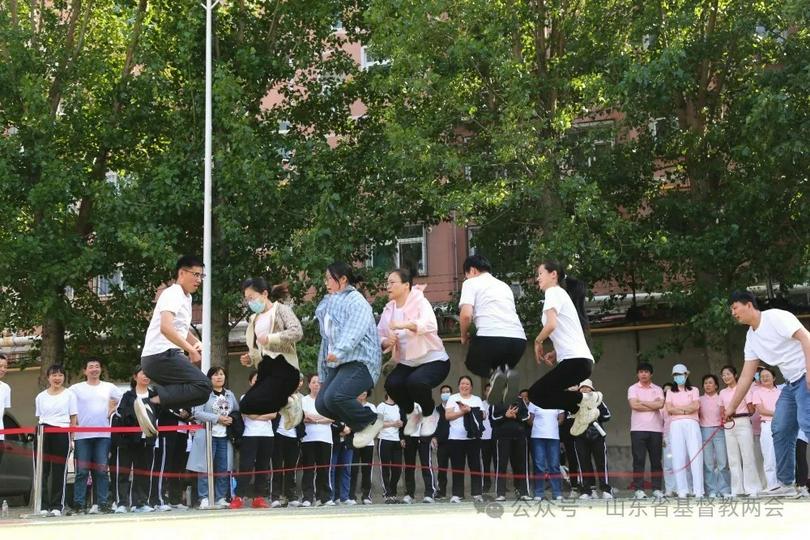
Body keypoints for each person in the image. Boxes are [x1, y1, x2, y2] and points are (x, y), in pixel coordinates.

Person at [727, 290, 810, 497]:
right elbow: (746, 377)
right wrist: (731, 407)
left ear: (748, 305)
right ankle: (786, 484)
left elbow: (806, 338)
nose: (733, 313)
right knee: (780, 428)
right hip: (790, 384)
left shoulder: (776, 317)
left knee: (808, 424)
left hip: (805, 376)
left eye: (735, 308)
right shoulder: (751, 338)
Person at [136, 255, 213, 436]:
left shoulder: (186, 298)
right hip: (161, 355)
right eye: (195, 275)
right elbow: (166, 328)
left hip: (163, 356)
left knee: (201, 393)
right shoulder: (173, 293)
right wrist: (190, 349)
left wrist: (196, 342)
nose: (198, 280)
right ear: (181, 273)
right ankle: (151, 401)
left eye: (201, 276)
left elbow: (180, 329)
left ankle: (154, 406)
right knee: (203, 385)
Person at [528, 261, 602, 437]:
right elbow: (565, 329)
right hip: (578, 361)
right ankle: (580, 410)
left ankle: (586, 400)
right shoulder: (561, 295)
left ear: (553, 275)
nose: (537, 278)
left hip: (576, 361)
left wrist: (538, 341)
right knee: (542, 394)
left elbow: (552, 324)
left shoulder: (553, 292)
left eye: (540, 273)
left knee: (536, 394)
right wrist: (556, 352)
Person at [315, 262, 384, 449]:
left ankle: (371, 421)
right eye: (326, 279)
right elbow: (326, 340)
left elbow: (354, 331)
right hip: (340, 363)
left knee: (335, 396)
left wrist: (338, 351)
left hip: (362, 361)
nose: (326, 282)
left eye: (329, 278)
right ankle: (359, 426)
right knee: (321, 404)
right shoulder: (329, 304)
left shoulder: (356, 301)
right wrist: (322, 374)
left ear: (343, 279)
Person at [378, 268, 450, 438]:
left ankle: (430, 413)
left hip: (434, 360)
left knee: (415, 382)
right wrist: (386, 342)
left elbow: (430, 324)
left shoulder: (420, 302)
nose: (387, 286)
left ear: (406, 285)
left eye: (392, 282)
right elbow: (379, 334)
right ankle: (412, 413)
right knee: (392, 384)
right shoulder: (389, 309)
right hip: (408, 362)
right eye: (387, 283)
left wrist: (404, 325)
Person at [459, 255, 527, 405]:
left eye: (466, 275)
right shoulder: (504, 286)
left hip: (491, 338)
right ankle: (506, 374)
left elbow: (465, 316)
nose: (466, 278)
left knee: (472, 363)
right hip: (518, 341)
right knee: (501, 367)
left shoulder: (471, 283)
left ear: (472, 270)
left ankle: (495, 375)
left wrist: (463, 336)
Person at [238, 278, 304, 430]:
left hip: (283, 365)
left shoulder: (281, 310)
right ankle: (288, 403)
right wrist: (249, 358)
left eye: (252, 298)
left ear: (265, 294)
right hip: (265, 368)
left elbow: (297, 331)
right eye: (247, 299)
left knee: (256, 403)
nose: (249, 302)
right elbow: (258, 349)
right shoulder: (253, 319)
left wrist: (271, 338)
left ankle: (288, 403)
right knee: (246, 405)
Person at [70, 358, 122, 514]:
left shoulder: (109, 387)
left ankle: (103, 503)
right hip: (82, 435)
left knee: (101, 471)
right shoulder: (75, 388)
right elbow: (66, 403)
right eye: (90, 367)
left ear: (101, 370)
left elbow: (123, 400)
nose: (94, 369)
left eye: (97, 366)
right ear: (85, 371)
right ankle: (79, 504)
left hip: (103, 434)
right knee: (82, 472)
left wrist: (113, 410)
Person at [188, 366, 238, 509]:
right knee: (205, 467)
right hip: (207, 435)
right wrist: (218, 418)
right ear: (210, 378)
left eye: (221, 374)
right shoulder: (204, 394)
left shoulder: (229, 395)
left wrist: (231, 419)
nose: (219, 377)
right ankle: (204, 497)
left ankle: (220, 497)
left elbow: (236, 411)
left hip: (224, 436)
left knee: (223, 467)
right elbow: (197, 413)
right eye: (215, 375)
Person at [111, 366, 158, 514]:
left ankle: (141, 502)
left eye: (148, 374)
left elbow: (159, 414)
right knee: (124, 471)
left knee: (143, 472)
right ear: (135, 376)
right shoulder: (128, 396)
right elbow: (122, 414)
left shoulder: (154, 395)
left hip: (147, 440)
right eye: (142, 373)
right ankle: (122, 503)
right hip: (127, 440)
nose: (146, 376)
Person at [35, 364, 78, 517]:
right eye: (54, 375)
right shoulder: (40, 396)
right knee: (42, 470)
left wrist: (72, 437)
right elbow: (39, 417)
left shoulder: (69, 394)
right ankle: (42, 505)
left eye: (60, 375)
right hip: (43, 432)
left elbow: (73, 417)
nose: (57, 378)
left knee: (59, 470)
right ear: (48, 378)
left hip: (62, 432)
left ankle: (57, 506)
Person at [231, 369, 275, 509]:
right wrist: (262, 414)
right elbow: (248, 415)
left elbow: (273, 414)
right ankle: (239, 497)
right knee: (246, 466)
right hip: (250, 435)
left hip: (267, 435)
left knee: (263, 466)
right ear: (251, 382)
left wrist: (258, 415)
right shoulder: (245, 397)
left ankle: (259, 497)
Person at [719, 364, 762, 498]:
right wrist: (726, 416)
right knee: (733, 458)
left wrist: (736, 411)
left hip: (743, 422)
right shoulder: (722, 392)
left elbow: (751, 409)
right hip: (729, 424)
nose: (726, 377)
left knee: (747, 455)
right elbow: (721, 410)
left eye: (728, 374)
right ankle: (736, 489)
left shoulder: (744, 389)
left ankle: (752, 488)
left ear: (735, 375)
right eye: (724, 375)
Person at [627, 362, 665, 499]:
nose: (643, 374)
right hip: (638, 429)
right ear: (637, 374)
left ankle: (656, 489)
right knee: (638, 460)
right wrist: (652, 405)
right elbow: (634, 405)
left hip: (656, 429)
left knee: (656, 461)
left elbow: (660, 404)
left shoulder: (658, 389)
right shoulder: (632, 388)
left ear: (651, 374)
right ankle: (638, 489)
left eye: (646, 372)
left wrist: (642, 402)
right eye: (641, 372)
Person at [665, 364, 703, 499]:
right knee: (678, 456)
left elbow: (695, 406)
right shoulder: (670, 392)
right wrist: (686, 410)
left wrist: (680, 410)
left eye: (681, 374)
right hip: (675, 425)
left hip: (692, 424)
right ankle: (682, 490)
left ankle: (698, 490)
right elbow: (669, 408)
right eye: (676, 375)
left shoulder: (694, 390)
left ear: (686, 375)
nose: (678, 377)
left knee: (695, 456)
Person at [445, 376, 485, 503]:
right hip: (456, 438)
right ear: (459, 385)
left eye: (467, 384)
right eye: (462, 383)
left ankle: (477, 494)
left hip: (473, 438)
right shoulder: (453, 398)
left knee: (475, 466)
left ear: (471, 386)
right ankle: (457, 494)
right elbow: (448, 416)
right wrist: (463, 412)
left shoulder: (477, 399)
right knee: (457, 466)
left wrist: (472, 411)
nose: (465, 386)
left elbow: (483, 416)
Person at [573, 379, 613, 499]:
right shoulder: (574, 403)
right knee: (583, 464)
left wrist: (596, 414)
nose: (585, 389)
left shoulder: (598, 401)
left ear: (592, 390)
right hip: (580, 436)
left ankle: (606, 490)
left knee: (601, 463)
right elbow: (570, 418)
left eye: (587, 387)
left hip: (597, 436)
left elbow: (607, 415)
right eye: (582, 388)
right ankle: (587, 491)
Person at [300, 374, 334, 507]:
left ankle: (324, 497)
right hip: (308, 438)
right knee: (308, 469)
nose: (316, 385)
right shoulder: (304, 400)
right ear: (309, 385)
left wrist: (314, 419)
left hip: (325, 438)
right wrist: (321, 418)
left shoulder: (327, 400)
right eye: (313, 382)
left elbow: (332, 418)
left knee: (324, 469)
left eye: (319, 382)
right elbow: (303, 417)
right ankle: (307, 497)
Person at [490, 392, 531, 501]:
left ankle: (523, 492)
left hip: (520, 437)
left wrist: (516, 416)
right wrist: (506, 415)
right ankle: (500, 493)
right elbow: (493, 418)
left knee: (522, 465)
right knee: (501, 465)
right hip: (502, 437)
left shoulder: (520, 399)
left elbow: (527, 416)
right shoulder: (496, 399)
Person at [271, 375, 304, 508]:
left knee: (291, 468)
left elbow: (302, 416)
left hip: (294, 436)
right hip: (278, 434)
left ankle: (291, 497)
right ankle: (275, 497)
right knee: (277, 467)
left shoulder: (301, 398)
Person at [153, 405, 192, 510]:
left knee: (178, 468)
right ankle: (159, 499)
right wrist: (179, 413)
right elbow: (161, 407)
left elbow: (189, 408)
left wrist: (187, 412)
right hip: (168, 430)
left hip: (183, 431)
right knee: (164, 466)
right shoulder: (164, 390)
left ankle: (175, 499)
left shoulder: (184, 391)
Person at [699, 374, 731, 498]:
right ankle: (711, 490)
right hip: (704, 431)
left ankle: (724, 489)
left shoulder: (721, 398)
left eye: (710, 383)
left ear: (716, 385)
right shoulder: (699, 399)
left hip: (720, 431)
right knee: (708, 463)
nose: (707, 385)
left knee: (722, 462)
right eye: (705, 383)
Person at [527, 400, 564, 501]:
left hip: (553, 437)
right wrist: (539, 426)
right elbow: (529, 419)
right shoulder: (533, 402)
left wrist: (552, 426)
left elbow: (561, 418)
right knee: (539, 465)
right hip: (537, 437)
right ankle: (539, 493)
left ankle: (557, 492)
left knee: (554, 465)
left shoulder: (558, 400)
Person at [754, 366, 781, 491]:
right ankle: (772, 484)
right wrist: (779, 413)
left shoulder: (781, 392)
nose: (764, 378)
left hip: (782, 425)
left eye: (767, 376)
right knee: (769, 455)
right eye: (762, 376)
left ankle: (784, 483)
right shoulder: (757, 392)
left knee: (782, 454)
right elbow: (761, 410)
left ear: (774, 378)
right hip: (767, 425)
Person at [350, 390, 376, 505]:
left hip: (368, 443)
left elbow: (374, 423)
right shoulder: (350, 405)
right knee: (353, 469)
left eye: (365, 392)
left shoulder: (371, 407)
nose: (362, 394)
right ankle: (351, 496)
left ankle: (366, 496)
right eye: (360, 391)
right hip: (354, 441)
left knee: (367, 470)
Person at [377, 393, 403, 503]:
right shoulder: (381, 406)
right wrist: (393, 423)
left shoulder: (399, 407)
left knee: (397, 469)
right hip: (384, 439)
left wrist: (401, 424)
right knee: (385, 468)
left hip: (397, 440)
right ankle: (387, 494)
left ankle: (393, 492)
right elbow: (378, 423)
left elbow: (403, 422)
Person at [432, 385, 452, 499]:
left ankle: (457, 492)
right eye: (443, 392)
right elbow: (433, 425)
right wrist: (434, 437)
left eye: (448, 391)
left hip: (455, 441)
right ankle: (442, 492)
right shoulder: (437, 409)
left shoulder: (455, 408)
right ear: (440, 395)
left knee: (457, 468)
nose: (445, 393)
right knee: (442, 468)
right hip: (442, 443)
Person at [329, 419, 354, 505]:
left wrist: (349, 429)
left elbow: (357, 421)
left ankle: (344, 497)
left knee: (346, 469)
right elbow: (331, 423)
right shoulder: (332, 408)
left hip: (348, 442)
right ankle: (331, 497)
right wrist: (342, 428)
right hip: (334, 441)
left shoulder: (350, 408)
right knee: (332, 470)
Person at [480, 383, 494, 494]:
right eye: (488, 390)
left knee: (498, 462)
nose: (490, 392)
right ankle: (486, 483)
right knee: (485, 463)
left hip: (496, 437)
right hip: (484, 438)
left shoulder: (499, 404)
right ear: (485, 392)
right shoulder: (481, 404)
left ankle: (500, 483)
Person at [0, 354, 11, 469]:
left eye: (5, 366)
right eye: (0, 366)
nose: (3, 369)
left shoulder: (6, 388)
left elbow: (3, 412)